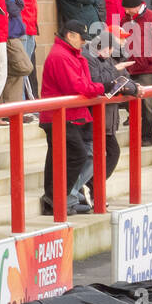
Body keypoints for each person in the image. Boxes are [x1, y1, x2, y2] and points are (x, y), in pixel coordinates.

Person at [38, 21, 104, 215]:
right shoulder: (61, 55)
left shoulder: (70, 54)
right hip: (59, 115)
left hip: (68, 114)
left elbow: (83, 83)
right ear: (70, 35)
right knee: (77, 155)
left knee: (62, 156)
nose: (84, 43)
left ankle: (58, 199)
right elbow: (77, 86)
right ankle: (58, 198)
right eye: (82, 38)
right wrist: (104, 87)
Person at [74, 29, 139, 207]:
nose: (112, 53)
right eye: (111, 49)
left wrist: (130, 87)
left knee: (109, 153)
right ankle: (93, 189)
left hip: (107, 118)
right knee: (93, 155)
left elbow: (125, 80)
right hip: (92, 118)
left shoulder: (106, 59)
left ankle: (94, 188)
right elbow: (97, 82)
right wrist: (114, 71)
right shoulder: (88, 58)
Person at [119, 0, 152, 146]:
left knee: (148, 106)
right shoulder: (125, 19)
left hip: (147, 69)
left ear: (139, 5)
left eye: (129, 8)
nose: (126, 11)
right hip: (128, 68)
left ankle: (147, 137)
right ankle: (136, 129)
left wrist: (143, 61)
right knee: (125, 100)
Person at [5, 0, 40, 98]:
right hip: (21, 28)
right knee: (22, 69)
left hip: (29, 27)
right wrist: (21, 27)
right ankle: (24, 105)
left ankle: (25, 105)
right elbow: (12, 1)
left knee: (26, 69)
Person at [0, 0, 34, 110]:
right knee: (24, 67)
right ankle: (4, 109)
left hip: (17, 32)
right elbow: (13, 7)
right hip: (7, 35)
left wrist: (15, 2)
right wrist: (14, 2)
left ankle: (14, 111)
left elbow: (19, 2)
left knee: (17, 74)